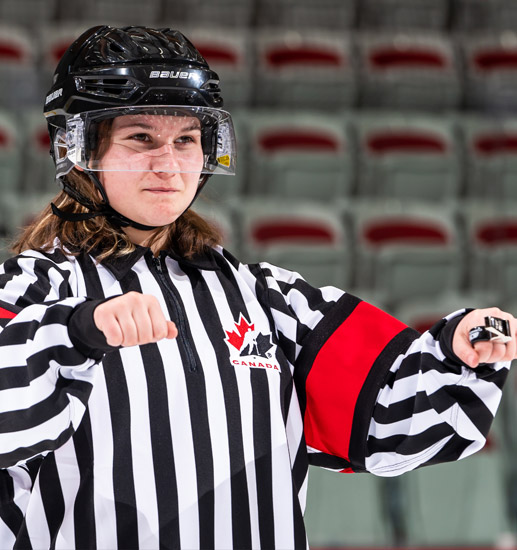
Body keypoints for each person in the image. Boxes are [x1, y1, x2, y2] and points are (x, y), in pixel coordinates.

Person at [0, 25, 514, 550]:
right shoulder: (30, 288)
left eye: (186, 140)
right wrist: (77, 331)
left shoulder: (267, 299)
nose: (169, 164)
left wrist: (458, 351)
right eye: (141, 138)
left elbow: (390, 421)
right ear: (79, 146)